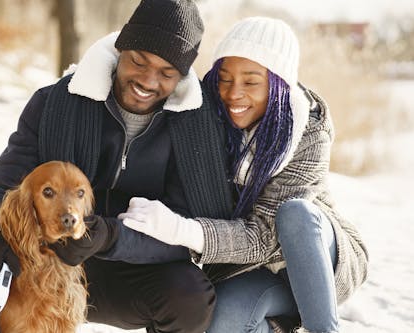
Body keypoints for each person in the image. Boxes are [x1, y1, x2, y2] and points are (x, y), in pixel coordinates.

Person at [0, 1, 235, 332]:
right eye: (139, 61)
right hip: (49, 261)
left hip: (134, 272)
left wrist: (110, 236)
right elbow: (1, 186)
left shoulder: (195, 131)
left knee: (190, 295)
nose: (148, 81)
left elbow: (186, 231)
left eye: (166, 73)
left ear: (180, 77)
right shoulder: (52, 103)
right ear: (121, 49)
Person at [119, 17, 369, 333]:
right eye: (224, 79)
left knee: (295, 214)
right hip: (253, 269)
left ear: (279, 84)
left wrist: (182, 230)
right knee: (218, 322)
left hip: (316, 261)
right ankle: (280, 326)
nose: (233, 93)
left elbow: (264, 236)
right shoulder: (209, 118)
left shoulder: (308, 133)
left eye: (251, 82)